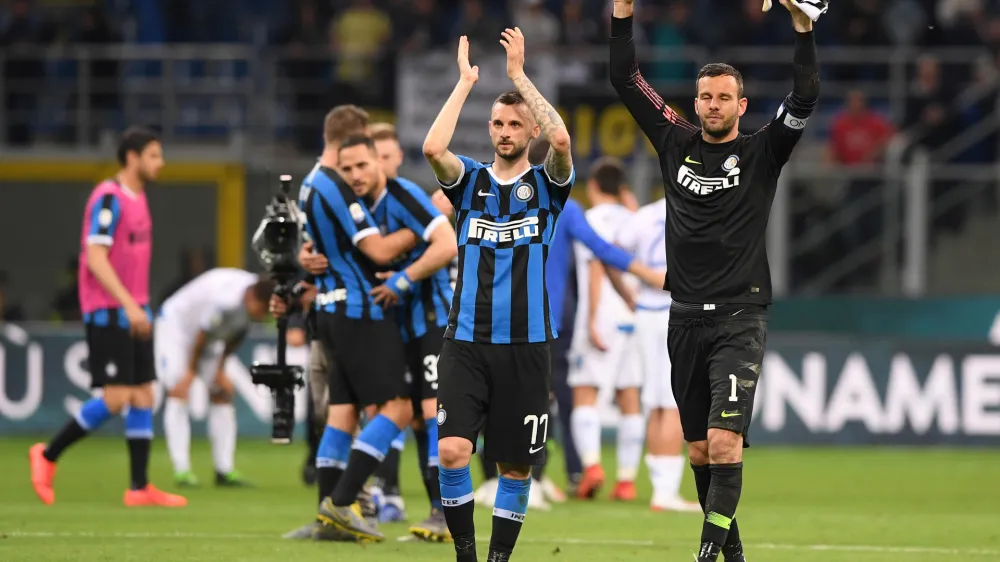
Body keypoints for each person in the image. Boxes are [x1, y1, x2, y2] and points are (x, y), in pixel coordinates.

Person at [609, 0, 820, 560]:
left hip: (740, 317)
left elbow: (803, 98)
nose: (713, 105)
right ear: (696, 102)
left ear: (741, 104)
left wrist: (803, 33)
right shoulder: (673, 138)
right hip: (683, 318)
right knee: (701, 452)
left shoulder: (763, 152)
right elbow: (624, 77)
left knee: (726, 443)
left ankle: (704, 555)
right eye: (705, 96)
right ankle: (732, 555)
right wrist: (623, 12)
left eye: (724, 97)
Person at [29, 127, 186, 508]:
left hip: (135, 310)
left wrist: (140, 306)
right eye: (154, 155)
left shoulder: (140, 197)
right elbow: (96, 257)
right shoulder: (107, 199)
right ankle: (47, 456)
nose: (160, 163)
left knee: (144, 395)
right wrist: (129, 305)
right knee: (116, 398)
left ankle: (138, 487)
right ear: (132, 158)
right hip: (109, 311)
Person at [294, 105, 423, 543]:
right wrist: (424, 229)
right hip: (357, 311)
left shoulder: (311, 184)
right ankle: (341, 502)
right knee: (399, 407)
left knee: (342, 414)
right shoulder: (334, 185)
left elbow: (318, 247)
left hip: (331, 311)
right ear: (353, 136)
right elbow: (381, 252)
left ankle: (326, 521)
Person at [336, 133, 459, 541]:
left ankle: (443, 512)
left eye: (372, 162)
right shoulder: (358, 209)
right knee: (401, 411)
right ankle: (344, 501)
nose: (360, 173)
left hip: (431, 320)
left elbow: (446, 246)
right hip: (393, 327)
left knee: (430, 411)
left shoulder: (403, 194)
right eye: (349, 168)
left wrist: (403, 279)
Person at [616, 198, 702, 513]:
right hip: (676, 313)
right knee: (673, 403)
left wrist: (627, 292)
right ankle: (665, 492)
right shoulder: (698, 208)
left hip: (646, 313)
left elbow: (613, 251)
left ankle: (660, 488)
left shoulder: (647, 214)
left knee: (656, 403)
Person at [566, 157, 645, 502]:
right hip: (636, 316)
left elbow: (597, 266)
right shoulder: (636, 221)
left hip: (602, 318)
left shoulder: (589, 219)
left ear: (593, 187)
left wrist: (592, 320)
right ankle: (626, 481)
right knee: (630, 398)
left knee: (585, 393)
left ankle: (592, 466)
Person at [156, 268, 275, 487]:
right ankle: (182, 470)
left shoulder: (255, 295)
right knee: (179, 389)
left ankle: (224, 470)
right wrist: (190, 372)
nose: (264, 316)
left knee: (223, 392)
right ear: (252, 298)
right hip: (177, 326)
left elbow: (236, 334)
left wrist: (220, 369)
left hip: (208, 336)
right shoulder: (226, 299)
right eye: (263, 310)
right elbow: (201, 334)